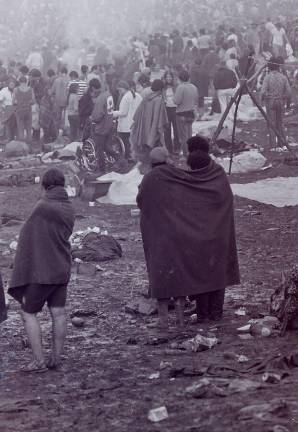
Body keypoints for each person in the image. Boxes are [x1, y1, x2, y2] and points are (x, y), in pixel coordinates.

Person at [137, 135, 240, 329]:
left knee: (200, 272)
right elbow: (226, 201)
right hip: (219, 231)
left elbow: (178, 202)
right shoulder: (218, 174)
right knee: (217, 272)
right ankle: (215, 312)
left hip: (197, 234)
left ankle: (202, 314)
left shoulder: (183, 179)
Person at [8, 168, 75, 372]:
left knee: (28, 313)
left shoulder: (43, 206)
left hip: (42, 271)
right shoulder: (68, 206)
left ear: (45, 185)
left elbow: (28, 236)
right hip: (62, 268)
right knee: (58, 312)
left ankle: (38, 361)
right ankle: (56, 358)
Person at [130, 79, 168, 172]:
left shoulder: (146, 98)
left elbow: (136, 115)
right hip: (154, 130)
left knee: (146, 148)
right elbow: (160, 120)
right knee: (155, 148)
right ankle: (153, 168)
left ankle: (145, 167)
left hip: (144, 129)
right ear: (161, 89)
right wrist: (162, 127)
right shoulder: (159, 100)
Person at [260, 57, 291, 149]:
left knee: (271, 123)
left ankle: (273, 145)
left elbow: (263, 92)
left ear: (269, 66)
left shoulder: (268, 77)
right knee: (280, 123)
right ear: (278, 67)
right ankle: (282, 143)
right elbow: (289, 92)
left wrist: (263, 98)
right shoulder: (283, 77)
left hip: (270, 102)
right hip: (281, 102)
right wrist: (285, 99)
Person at [113, 80, 142, 160]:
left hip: (125, 125)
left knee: (125, 144)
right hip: (135, 123)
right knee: (133, 143)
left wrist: (112, 113)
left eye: (119, 90)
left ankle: (126, 158)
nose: (119, 92)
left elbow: (123, 112)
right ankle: (134, 157)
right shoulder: (137, 95)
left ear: (123, 88)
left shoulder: (125, 97)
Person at [174, 70, 198, 156]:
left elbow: (176, 101)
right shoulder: (194, 87)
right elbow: (196, 100)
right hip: (191, 113)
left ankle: (186, 154)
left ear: (179, 78)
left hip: (181, 113)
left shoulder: (180, 87)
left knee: (183, 136)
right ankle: (191, 151)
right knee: (189, 134)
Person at [13, 76, 35, 143]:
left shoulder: (16, 89)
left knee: (20, 127)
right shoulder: (31, 89)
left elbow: (14, 102)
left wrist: (19, 102)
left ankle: (22, 144)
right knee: (28, 127)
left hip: (19, 111)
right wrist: (27, 102)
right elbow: (33, 101)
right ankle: (29, 143)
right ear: (26, 81)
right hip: (28, 110)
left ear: (19, 82)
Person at [163, 71, 180, 154]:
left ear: (172, 78)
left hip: (175, 109)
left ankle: (177, 147)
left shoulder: (176, 87)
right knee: (167, 130)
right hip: (166, 109)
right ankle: (169, 149)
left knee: (177, 129)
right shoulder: (163, 87)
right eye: (167, 77)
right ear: (165, 78)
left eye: (170, 77)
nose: (168, 78)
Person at [50, 67, 69, 134]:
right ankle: (64, 132)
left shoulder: (56, 80)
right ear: (66, 73)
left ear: (61, 72)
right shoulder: (68, 80)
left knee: (57, 118)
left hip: (57, 102)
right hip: (65, 102)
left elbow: (52, 92)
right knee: (64, 118)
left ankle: (56, 133)